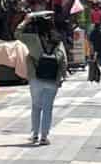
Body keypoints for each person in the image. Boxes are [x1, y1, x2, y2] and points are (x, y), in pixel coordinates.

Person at [20, 11, 68, 146]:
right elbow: (63, 61)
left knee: (36, 107)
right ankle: (44, 137)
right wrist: (61, 77)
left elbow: (17, 34)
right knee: (48, 108)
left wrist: (25, 21)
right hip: (52, 79)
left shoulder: (33, 39)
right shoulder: (57, 40)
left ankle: (34, 134)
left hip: (36, 78)